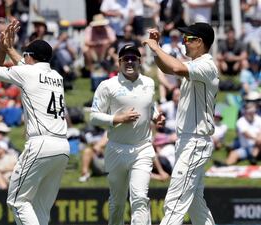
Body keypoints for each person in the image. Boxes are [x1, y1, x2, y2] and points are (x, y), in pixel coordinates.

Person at [0, 21, 70, 225]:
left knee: (17, 201)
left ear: (29, 57)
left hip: (41, 144)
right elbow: (27, 68)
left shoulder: (28, 72)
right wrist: (10, 48)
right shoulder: (56, 76)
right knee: (40, 206)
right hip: (62, 146)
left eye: (25, 55)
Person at [143, 22, 218, 225]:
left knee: (175, 202)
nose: (183, 42)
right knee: (195, 203)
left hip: (195, 141)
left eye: (187, 39)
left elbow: (175, 66)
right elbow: (168, 68)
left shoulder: (206, 65)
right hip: (188, 141)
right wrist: (157, 51)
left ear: (199, 42)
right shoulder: (195, 65)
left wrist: (156, 47)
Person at [90, 44, 165, 225]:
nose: (129, 62)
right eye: (125, 58)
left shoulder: (148, 83)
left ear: (140, 61)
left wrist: (155, 117)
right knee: (116, 203)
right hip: (116, 149)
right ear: (119, 62)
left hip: (142, 149)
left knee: (139, 198)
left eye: (133, 58)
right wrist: (118, 118)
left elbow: (149, 105)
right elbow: (94, 117)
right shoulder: (107, 85)